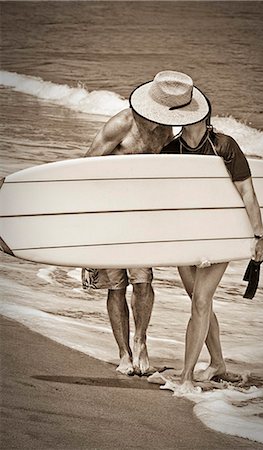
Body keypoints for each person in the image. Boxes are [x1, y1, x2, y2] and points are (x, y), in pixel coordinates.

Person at [129, 70, 263, 392]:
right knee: (198, 301)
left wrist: (259, 237)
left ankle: (188, 376)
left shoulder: (225, 147)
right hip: (187, 239)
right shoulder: (171, 151)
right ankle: (218, 365)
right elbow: (162, 201)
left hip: (221, 237)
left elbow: (247, 193)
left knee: (201, 301)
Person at [83, 81, 174, 376]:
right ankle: (123, 354)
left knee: (144, 281)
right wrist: (83, 238)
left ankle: (141, 344)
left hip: (141, 218)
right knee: (115, 287)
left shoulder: (166, 131)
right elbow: (84, 169)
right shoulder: (120, 125)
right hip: (108, 217)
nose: (159, 121)